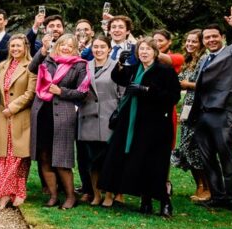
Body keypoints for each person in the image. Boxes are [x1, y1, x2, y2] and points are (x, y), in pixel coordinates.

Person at [102, 39, 182, 216]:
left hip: (156, 124)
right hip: (133, 122)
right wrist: (120, 63)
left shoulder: (164, 71)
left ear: (155, 52)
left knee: (156, 163)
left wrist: (146, 90)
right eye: (140, 49)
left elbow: (173, 96)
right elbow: (118, 78)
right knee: (140, 161)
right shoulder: (134, 69)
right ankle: (145, 200)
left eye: (147, 49)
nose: (144, 52)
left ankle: (164, 201)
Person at [188, 8, 232, 211]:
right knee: (207, 159)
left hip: (223, 112)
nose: (211, 40)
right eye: (207, 37)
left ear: (222, 37)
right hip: (202, 115)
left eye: (214, 36)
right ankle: (217, 195)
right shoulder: (205, 59)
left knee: (226, 157)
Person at [33, 34, 88, 209]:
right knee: (44, 157)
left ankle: (71, 196)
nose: (65, 48)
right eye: (62, 44)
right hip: (42, 113)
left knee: (62, 159)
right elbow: (32, 68)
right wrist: (42, 50)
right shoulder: (49, 59)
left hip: (63, 116)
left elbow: (82, 92)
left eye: (69, 46)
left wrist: (61, 91)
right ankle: (53, 195)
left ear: (75, 49)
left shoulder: (79, 65)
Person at [0, 34, 35, 210]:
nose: (15, 49)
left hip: (20, 116)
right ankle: (3, 195)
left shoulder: (31, 66)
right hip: (3, 117)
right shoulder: (3, 65)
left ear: (25, 47)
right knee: (2, 157)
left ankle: (18, 192)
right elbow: (1, 90)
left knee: (18, 157)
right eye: (12, 46)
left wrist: (13, 107)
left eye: (19, 46)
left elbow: (30, 93)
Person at [78, 35, 121, 207]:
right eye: (95, 47)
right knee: (92, 160)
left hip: (108, 118)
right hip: (88, 117)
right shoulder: (84, 67)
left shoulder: (117, 67)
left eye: (102, 47)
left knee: (108, 160)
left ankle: (109, 194)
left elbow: (123, 93)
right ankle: (96, 194)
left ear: (109, 49)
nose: (98, 50)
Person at [172, 29, 210, 202]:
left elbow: (209, 84)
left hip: (200, 107)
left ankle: (207, 186)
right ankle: (199, 185)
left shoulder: (205, 59)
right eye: (188, 41)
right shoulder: (189, 60)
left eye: (194, 41)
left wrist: (188, 84)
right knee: (187, 148)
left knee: (196, 148)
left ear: (201, 43)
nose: (189, 44)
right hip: (188, 107)